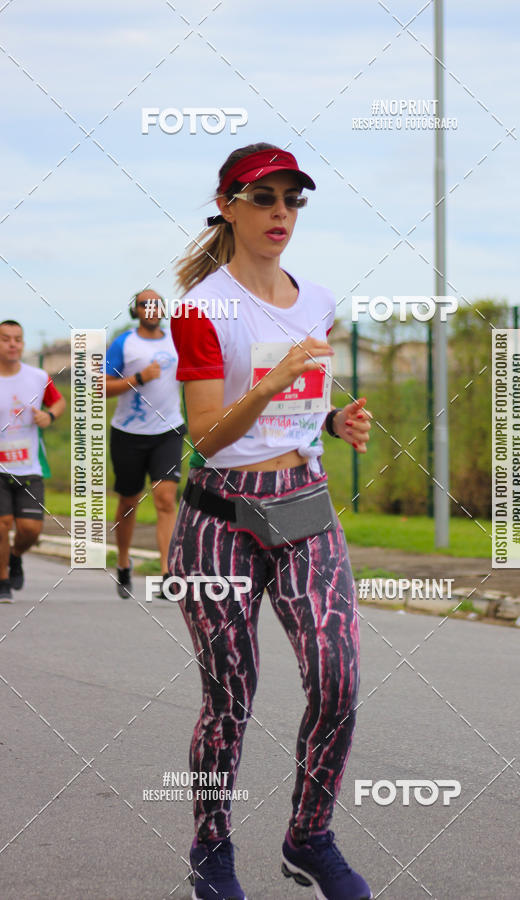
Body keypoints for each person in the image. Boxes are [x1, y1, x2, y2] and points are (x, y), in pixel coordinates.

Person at [169, 144, 373, 900]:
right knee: (230, 698)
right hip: (220, 520)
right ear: (228, 207)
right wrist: (271, 382)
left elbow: (301, 406)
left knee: (339, 681)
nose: (280, 212)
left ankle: (309, 835)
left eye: (292, 199)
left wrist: (334, 420)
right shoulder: (200, 309)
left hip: (304, 509)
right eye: (263, 198)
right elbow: (207, 436)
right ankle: (211, 847)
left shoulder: (316, 299)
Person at [105, 290, 185, 598]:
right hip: (128, 433)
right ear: (135, 310)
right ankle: (124, 562)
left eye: (156, 304)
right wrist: (138, 378)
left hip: (168, 430)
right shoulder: (124, 343)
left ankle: (167, 573)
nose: (151, 309)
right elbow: (101, 388)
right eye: (144, 304)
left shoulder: (177, 339)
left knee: (166, 498)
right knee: (129, 501)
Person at [0, 320, 65, 601]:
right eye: (5, 339)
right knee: (2, 524)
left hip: (30, 466)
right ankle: (3, 580)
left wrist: (49, 416)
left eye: (17, 339)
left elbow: (58, 402)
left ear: (23, 343)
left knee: (30, 529)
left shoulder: (37, 377)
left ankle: (15, 556)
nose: (12, 344)